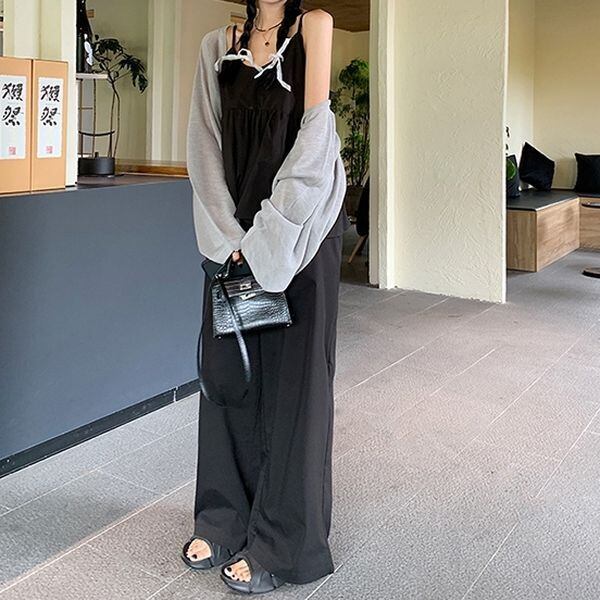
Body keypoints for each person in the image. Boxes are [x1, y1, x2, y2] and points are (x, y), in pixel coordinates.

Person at [182, 0, 350, 594]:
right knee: (232, 378)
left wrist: (267, 240)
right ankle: (223, 519)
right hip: (233, 239)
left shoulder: (314, 30)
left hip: (299, 237)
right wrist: (230, 239)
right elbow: (203, 144)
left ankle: (283, 544)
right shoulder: (217, 45)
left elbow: (316, 143)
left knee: (295, 391)